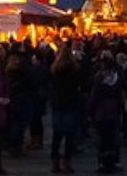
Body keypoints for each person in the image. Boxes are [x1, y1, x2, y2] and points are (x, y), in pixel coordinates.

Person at [87, 52, 125, 174]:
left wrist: (90, 111)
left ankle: (103, 163)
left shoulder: (99, 78)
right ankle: (113, 161)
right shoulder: (117, 78)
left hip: (101, 111)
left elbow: (94, 95)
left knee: (102, 139)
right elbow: (121, 94)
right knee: (113, 138)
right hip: (114, 110)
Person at [50, 45, 84, 174]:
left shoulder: (55, 70)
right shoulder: (74, 70)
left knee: (57, 135)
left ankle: (55, 162)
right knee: (69, 135)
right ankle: (67, 163)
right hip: (70, 104)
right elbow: (81, 82)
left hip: (58, 104)